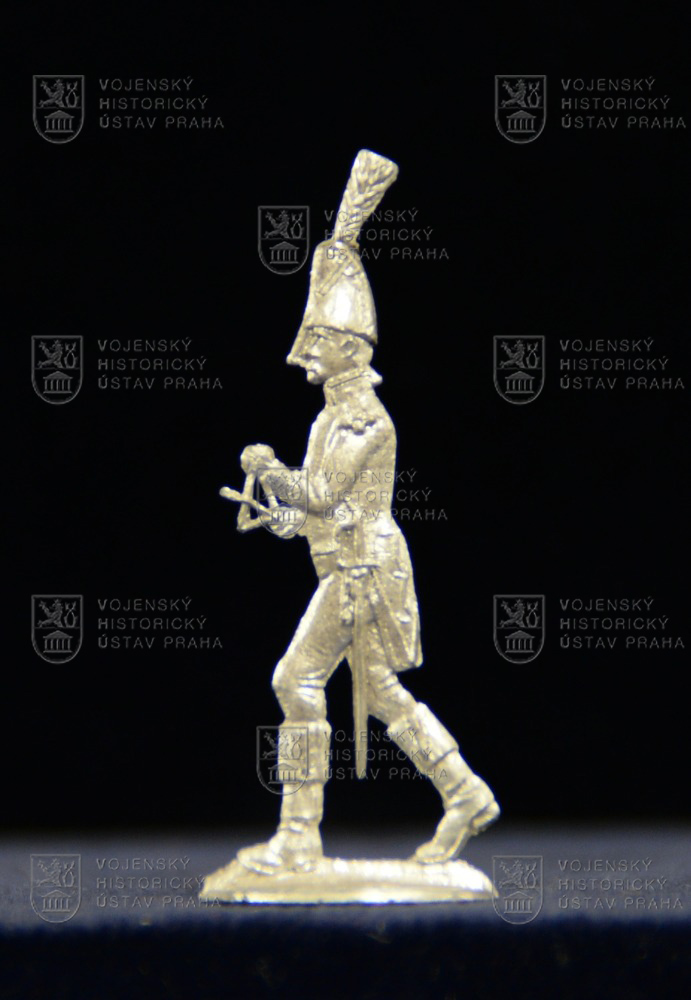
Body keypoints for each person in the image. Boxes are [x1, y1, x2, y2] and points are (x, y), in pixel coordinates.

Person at [234, 151, 498, 875]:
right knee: (381, 693)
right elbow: (320, 506)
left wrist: (269, 471)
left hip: (361, 574)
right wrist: (284, 515)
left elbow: (322, 493)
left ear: (348, 348)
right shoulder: (331, 417)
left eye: (315, 343)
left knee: (294, 680)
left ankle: (298, 835)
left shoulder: (362, 421)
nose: (302, 356)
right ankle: (465, 792)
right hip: (351, 563)